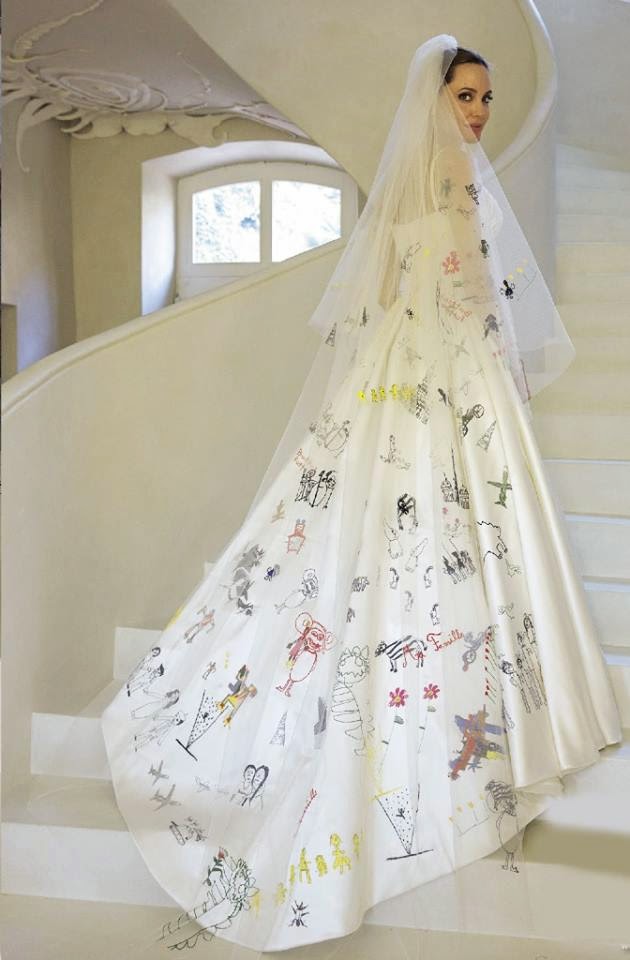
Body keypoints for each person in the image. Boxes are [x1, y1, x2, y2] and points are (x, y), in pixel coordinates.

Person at [38, 34, 623, 958]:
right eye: (467, 96)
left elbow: (383, 300)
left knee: (401, 547)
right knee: (454, 539)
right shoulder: (459, 183)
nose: (480, 113)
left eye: (487, 98)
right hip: (451, 381)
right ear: (437, 100)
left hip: (402, 378)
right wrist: (488, 357)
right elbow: (478, 295)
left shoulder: (404, 193)